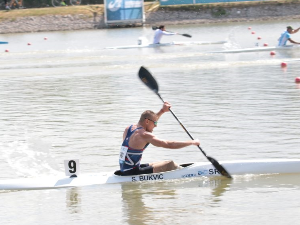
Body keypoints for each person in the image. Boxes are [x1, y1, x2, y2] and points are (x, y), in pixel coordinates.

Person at [119, 102, 200, 176]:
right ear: (147, 121)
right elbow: (169, 144)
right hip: (132, 172)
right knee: (170, 164)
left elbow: (151, 118)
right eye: (155, 123)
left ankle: (179, 170)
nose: (156, 125)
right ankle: (185, 174)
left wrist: (162, 110)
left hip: (125, 169)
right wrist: (192, 142)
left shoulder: (129, 129)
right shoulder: (144, 135)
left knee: (161, 163)